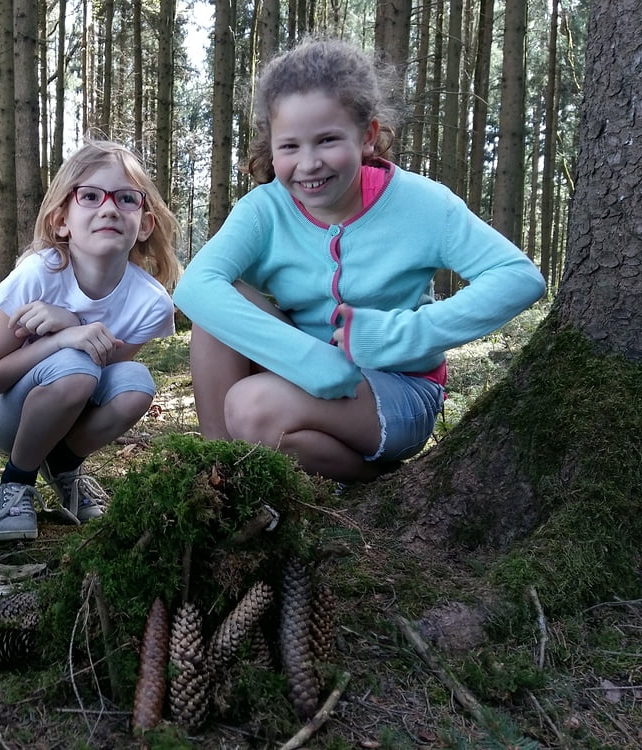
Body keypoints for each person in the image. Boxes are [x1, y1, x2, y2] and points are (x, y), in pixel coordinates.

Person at [173, 37, 546, 484]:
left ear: (367, 136)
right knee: (217, 304)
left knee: (251, 409)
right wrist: (309, 359)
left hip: (400, 392)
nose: (309, 163)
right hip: (302, 379)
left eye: (327, 140)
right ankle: (218, 479)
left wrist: (397, 335)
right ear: (271, 147)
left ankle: (377, 483)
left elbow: (519, 277)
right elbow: (195, 287)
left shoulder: (422, 204)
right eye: (289, 146)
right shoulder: (264, 210)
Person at [0, 140, 180, 541]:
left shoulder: (151, 302)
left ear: (145, 225)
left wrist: (72, 322)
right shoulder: (39, 274)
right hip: (8, 413)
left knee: (137, 383)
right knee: (76, 365)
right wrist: (59, 339)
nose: (109, 208)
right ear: (61, 221)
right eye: (90, 196)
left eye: (126, 198)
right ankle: (16, 482)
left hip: (70, 412)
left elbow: (106, 369)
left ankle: (64, 467)